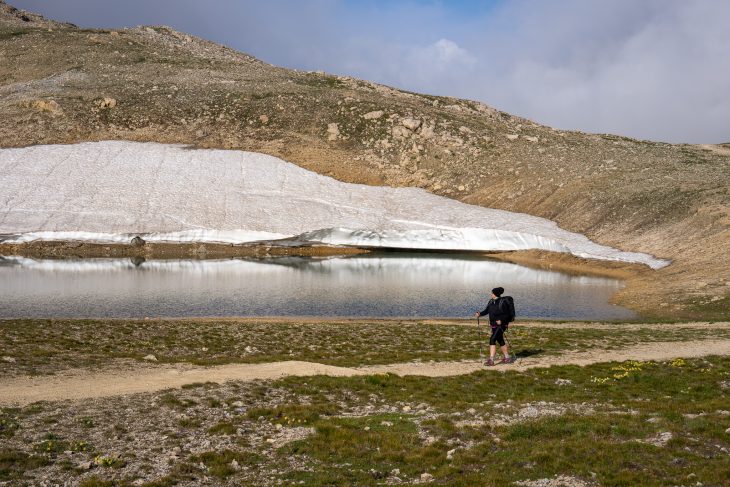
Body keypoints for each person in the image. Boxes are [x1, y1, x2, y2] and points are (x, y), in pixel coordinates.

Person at [474, 287, 514, 366]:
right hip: (493, 324)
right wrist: (480, 314)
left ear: (495, 294)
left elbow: (507, 314)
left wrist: (501, 320)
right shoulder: (491, 301)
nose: (491, 294)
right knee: (500, 339)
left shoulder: (502, 302)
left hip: (502, 324)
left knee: (492, 339)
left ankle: (491, 360)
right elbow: (486, 311)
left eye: (492, 293)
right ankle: (507, 358)